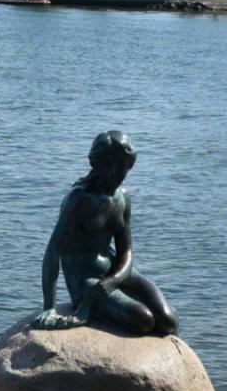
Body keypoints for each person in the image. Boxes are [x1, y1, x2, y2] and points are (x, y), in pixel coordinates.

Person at [37, 131, 177, 335]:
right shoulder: (79, 200)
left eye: (126, 167)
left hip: (118, 272)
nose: (123, 174)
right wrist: (49, 306)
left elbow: (126, 251)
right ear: (103, 166)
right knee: (143, 320)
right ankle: (98, 312)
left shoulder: (123, 198)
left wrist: (113, 280)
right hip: (86, 280)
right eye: (118, 167)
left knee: (168, 321)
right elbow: (52, 253)